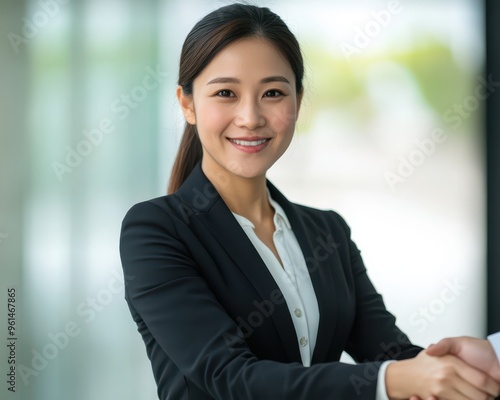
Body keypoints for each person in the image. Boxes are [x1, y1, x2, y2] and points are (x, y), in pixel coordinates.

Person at [119, 4, 500, 399]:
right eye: (225, 93)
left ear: (297, 101)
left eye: (272, 93)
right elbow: (231, 379)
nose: (250, 117)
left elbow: (392, 355)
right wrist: (391, 381)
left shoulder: (328, 232)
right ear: (187, 104)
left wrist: (462, 364)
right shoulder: (156, 231)